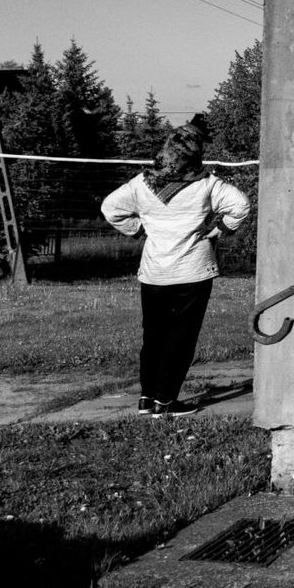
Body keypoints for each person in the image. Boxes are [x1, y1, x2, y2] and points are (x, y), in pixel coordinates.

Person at [101, 115, 251, 417]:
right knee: (181, 338)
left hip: (154, 272)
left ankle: (147, 398)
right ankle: (166, 401)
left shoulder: (141, 183)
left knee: (153, 335)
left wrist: (139, 229)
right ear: (196, 154)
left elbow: (110, 208)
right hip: (193, 271)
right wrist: (219, 229)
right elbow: (241, 206)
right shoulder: (208, 185)